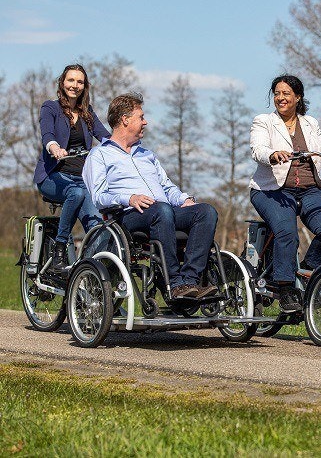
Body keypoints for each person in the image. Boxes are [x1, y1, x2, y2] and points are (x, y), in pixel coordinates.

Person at [83, 92, 218, 299]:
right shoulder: (99, 154)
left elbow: (166, 186)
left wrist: (184, 200)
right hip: (127, 216)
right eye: (141, 117)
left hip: (163, 211)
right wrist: (128, 198)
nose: (145, 122)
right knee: (161, 210)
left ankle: (190, 281)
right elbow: (99, 196)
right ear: (125, 120)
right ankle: (173, 284)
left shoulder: (147, 155)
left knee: (206, 212)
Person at [249, 74, 321, 313]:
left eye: (286, 94)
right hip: (272, 190)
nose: (280, 98)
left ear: (298, 97)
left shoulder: (309, 123)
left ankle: (308, 267)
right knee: (287, 232)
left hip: (308, 190)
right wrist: (272, 155)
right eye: (277, 93)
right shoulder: (263, 121)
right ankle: (285, 288)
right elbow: (258, 148)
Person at [34, 64, 111, 270]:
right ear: (62, 82)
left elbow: (104, 137)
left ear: (84, 86)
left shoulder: (87, 112)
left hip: (81, 178)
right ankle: (59, 246)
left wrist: (123, 147)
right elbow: (47, 135)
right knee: (75, 193)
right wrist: (54, 148)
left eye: (79, 82)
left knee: (99, 228)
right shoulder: (50, 108)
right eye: (71, 80)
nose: (75, 85)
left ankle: (86, 272)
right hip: (53, 176)